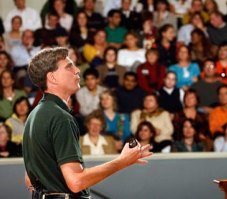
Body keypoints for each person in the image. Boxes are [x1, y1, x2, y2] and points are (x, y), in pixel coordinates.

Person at [23, 47, 152, 198]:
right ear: (52, 77)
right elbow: (76, 182)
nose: (77, 70)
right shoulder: (60, 117)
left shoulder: (33, 116)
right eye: (69, 67)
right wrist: (122, 162)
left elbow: (29, 180)